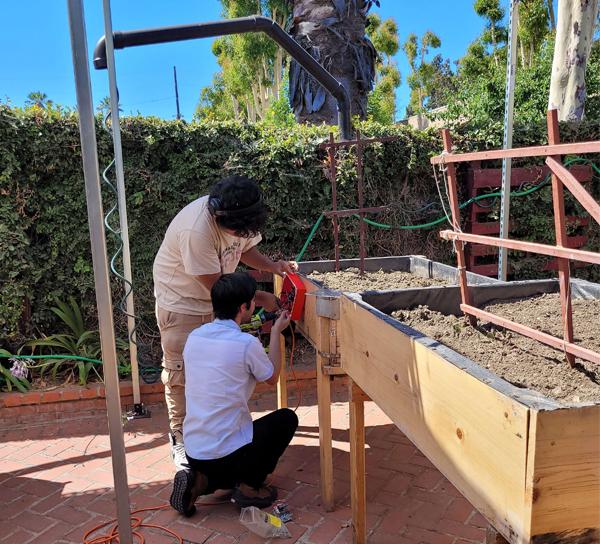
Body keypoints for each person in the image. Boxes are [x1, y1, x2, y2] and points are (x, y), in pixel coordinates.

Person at [153, 175, 297, 469]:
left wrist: (273, 267)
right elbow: (218, 287)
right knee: (181, 374)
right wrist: (262, 298)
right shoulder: (197, 231)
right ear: (218, 216)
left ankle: (217, 439)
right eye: (234, 229)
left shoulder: (239, 217)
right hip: (183, 305)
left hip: (216, 301)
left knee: (216, 373)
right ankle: (180, 440)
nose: (239, 234)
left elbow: (244, 250)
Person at [169, 272, 298, 516]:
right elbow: (271, 377)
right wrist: (276, 333)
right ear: (244, 307)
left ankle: (202, 481)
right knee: (286, 419)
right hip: (230, 455)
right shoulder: (245, 344)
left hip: (194, 450)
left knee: (222, 455)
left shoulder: (195, 337)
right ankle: (249, 486)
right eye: (253, 302)